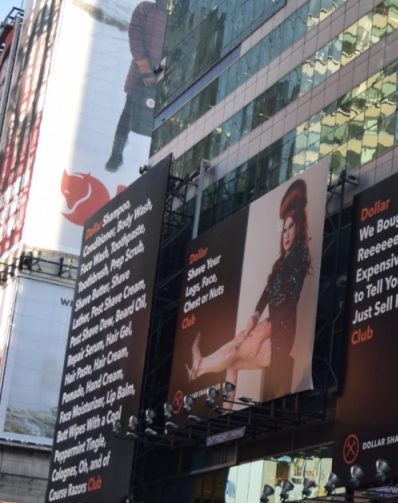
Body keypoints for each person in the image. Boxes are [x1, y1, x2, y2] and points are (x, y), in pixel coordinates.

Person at [188, 180, 313, 400]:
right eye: (283, 229)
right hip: (271, 328)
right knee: (233, 363)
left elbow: (288, 303)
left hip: (281, 334)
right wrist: (255, 317)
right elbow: (267, 293)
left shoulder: (300, 254)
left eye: (290, 227)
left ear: (299, 226)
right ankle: (224, 416)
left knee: (237, 348)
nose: (285, 234)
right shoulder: (282, 262)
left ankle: (201, 365)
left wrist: (263, 330)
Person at [105, 0, 167, 172]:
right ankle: (116, 153)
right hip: (139, 72)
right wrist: (145, 69)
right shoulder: (145, 9)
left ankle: (158, 160)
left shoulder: (175, 17)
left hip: (160, 77)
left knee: (160, 117)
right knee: (128, 112)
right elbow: (135, 38)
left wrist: (157, 73)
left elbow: (173, 49)